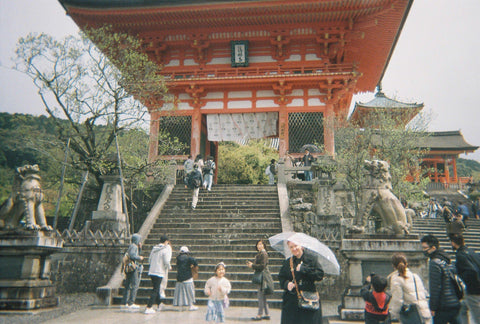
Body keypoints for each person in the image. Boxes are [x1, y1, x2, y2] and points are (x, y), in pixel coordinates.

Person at [278, 240, 324, 324]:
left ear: (301, 246)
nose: (294, 249)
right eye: (291, 247)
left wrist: (304, 269)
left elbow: (319, 275)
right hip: (292, 301)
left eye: (296, 246)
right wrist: (286, 284)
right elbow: (281, 277)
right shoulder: (288, 262)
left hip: (308, 299)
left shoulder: (312, 259)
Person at [420, 234, 461, 323]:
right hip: (454, 301)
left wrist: (433, 307)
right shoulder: (445, 259)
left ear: (433, 248)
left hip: (443, 305)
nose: (423, 251)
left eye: (425, 248)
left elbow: (435, 287)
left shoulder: (434, 263)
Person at [388, 253, 431, 323]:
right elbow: (424, 293)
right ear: (406, 263)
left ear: (393, 265)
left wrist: (394, 314)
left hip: (411, 315)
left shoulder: (396, 278)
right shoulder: (415, 276)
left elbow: (398, 300)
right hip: (424, 312)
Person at [449, 234, 480, 324]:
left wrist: (461, 276)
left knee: (477, 315)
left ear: (453, 243)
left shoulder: (460, 255)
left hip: (473, 289)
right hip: (474, 288)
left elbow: (471, 272)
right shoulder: (471, 251)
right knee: (462, 309)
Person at [145, 235, 172, 314]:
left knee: (155, 288)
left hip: (152, 271)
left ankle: (159, 304)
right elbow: (166, 261)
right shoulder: (165, 249)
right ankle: (149, 307)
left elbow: (149, 259)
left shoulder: (154, 249)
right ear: (166, 241)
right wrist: (169, 267)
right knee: (155, 289)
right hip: (159, 272)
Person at [246, 239, 271, 321]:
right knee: (263, 296)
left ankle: (259, 314)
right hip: (262, 276)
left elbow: (262, 266)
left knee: (260, 295)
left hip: (263, 277)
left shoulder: (263, 254)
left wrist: (252, 265)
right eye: (258, 244)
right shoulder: (260, 254)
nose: (259, 246)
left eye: (261, 244)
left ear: (264, 245)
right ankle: (267, 314)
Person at [122, 233, 144, 309]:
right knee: (135, 284)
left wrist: (140, 248)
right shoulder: (134, 247)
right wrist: (139, 258)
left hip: (128, 267)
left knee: (127, 284)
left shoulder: (131, 246)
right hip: (132, 267)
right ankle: (131, 302)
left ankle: (125, 301)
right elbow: (132, 256)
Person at [173, 246, 199, 311]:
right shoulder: (189, 258)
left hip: (179, 278)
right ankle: (191, 305)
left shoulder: (178, 258)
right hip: (188, 277)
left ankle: (180, 306)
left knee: (180, 293)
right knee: (190, 292)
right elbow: (195, 262)